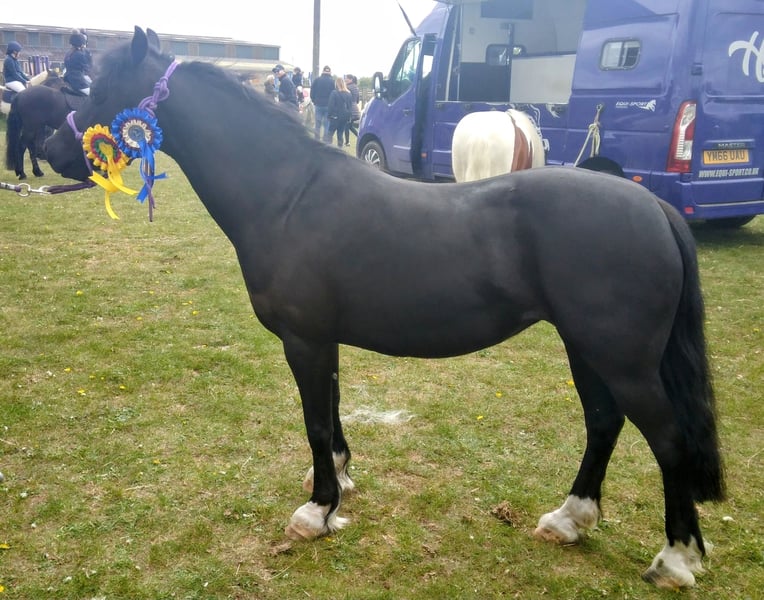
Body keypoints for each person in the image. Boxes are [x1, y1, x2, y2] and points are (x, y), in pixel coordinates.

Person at [324, 76, 353, 147]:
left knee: (330, 134)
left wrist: (329, 115)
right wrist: (349, 117)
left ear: (336, 84)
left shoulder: (334, 93)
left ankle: (328, 148)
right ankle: (340, 148)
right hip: (344, 117)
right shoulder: (349, 94)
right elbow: (350, 107)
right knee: (340, 134)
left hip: (335, 116)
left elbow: (330, 105)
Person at [63, 30, 92, 95]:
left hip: (67, 78)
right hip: (78, 81)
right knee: (93, 94)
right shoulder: (80, 54)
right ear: (81, 44)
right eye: (83, 44)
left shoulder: (68, 53)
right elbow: (87, 69)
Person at [310, 65, 335, 141]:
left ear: (323, 71)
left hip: (318, 104)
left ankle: (317, 139)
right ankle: (325, 140)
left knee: (318, 123)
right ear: (330, 72)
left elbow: (312, 91)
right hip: (328, 105)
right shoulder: (332, 81)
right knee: (326, 124)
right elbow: (334, 94)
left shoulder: (317, 80)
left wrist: (314, 100)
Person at [344, 74, 361, 146]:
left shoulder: (347, 87)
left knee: (346, 126)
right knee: (350, 126)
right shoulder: (356, 87)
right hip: (355, 109)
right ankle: (359, 137)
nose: (345, 79)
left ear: (351, 79)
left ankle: (347, 142)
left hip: (350, 109)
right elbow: (357, 100)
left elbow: (346, 99)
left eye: (346, 78)